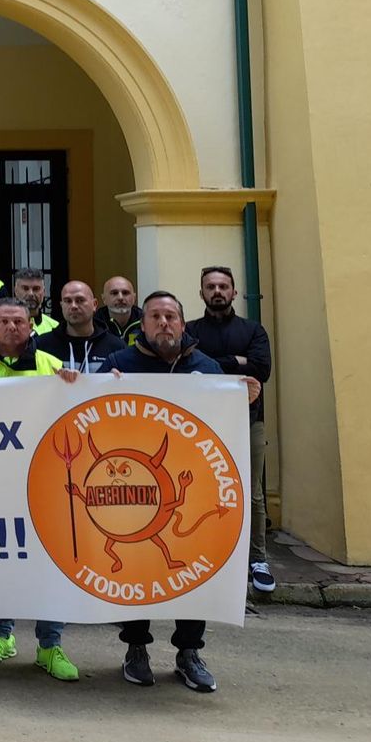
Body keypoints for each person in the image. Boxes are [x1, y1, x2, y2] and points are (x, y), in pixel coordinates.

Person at [109, 290, 263, 694]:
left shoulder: (205, 366)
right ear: (143, 325)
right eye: (155, 316)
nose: (164, 323)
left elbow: (226, 428)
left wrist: (243, 398)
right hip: (135, 491)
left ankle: (189, 652)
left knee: (191, 569)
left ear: (182, 323)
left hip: (190, 487)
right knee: (138, 568)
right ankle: (136, 649)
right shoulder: (119, 365)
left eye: (171, 316)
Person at [0, 298, 81, 680]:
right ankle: (0, 635)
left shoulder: (53, 368)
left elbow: (77, 410)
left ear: (32, 325)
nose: (13, 327)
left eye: (20, 321)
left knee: (51, 562)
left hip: (45, 480)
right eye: (5, 321)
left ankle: (50, 646)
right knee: (1, 558)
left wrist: (75, 385)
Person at [187, 266, 275, 593]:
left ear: (234, 292)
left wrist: (212, 361)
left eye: (223, 286)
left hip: (248, 419)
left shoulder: (253, 330)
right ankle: (206, 554)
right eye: (210, 286)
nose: (217, 291)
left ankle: (258, 560)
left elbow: (261, 369)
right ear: (201, 293)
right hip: (199, 424)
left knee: (251, 491)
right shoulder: (190, 329)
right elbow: (186, 363)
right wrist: (235, 361)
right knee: (200, 491)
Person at [39, 280, 125, 373]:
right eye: (68, 301)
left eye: (80, 300)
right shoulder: (42, 346)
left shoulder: (116, 347)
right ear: (61, 305)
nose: (74, 306)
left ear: (94, 304)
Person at [10, 268, 59, 335]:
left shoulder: (55, 328)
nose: (31, 294)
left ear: (44, 292)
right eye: (25, 288)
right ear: (15, 291)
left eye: (36, 289)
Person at [96, 275, 143, 344]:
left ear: (134, 298)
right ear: (104, 299)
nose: (120, 298)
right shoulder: (94, 324)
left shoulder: (146, 322)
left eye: (125, 293)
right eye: (114, 293)